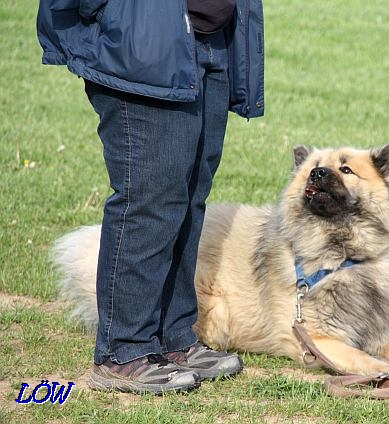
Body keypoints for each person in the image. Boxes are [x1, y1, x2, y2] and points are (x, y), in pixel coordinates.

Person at [36, 0, 264, 394]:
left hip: (211, 40)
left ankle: (174, 338)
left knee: (189, 199)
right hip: (144, 43)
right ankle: (122, 351)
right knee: (148, 203)